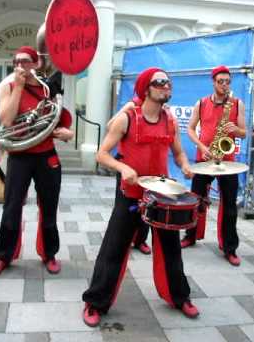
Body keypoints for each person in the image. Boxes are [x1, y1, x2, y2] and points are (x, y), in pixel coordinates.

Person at [82, 67, 199, 328]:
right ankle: (95, 301)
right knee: (113, 250)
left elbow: (178, 152)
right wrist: (123, 168)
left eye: (169, 82)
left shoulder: (170, 119)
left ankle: (180, 297)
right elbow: (101, 154)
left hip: (161, 194)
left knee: (171, 251)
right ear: (146, 88)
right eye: (160, 83)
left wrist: (185, 165)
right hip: (131, 195)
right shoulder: (127, 118)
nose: (166, 86)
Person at [0, 46, 74, 277]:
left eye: (25, 61)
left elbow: (55, 119)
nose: (20, 66)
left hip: (46, 155)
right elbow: (6, 121)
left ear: (36, 64)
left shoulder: (48, 89)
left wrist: (68, 134)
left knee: (49, 206)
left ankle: (49, 253)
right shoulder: (8, 87)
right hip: (20, 155)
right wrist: (18, 86)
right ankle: (3, 255)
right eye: (16, 61)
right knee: (12, 207)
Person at [181, 65, 246, 267]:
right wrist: (201, 146)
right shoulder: (200, 103)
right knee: (195, 201)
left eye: (227, 81)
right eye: (221, 81)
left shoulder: (237, 103)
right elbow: (190, 129)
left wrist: (236, 129)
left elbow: (244, 133)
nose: (225, 85)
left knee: (229, 207)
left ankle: (229, 248)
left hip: (227, 162)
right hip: (205, 159)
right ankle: (190, 236)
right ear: (213, 82)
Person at [107, 96, 151, 255]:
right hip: (127, 163)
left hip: (148, 164)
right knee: (124, 205)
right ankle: (122, 238)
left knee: (147, 203)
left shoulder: (158, 109)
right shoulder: (131, 104)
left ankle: (141, 240)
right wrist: (128, 108)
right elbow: (110, 125)